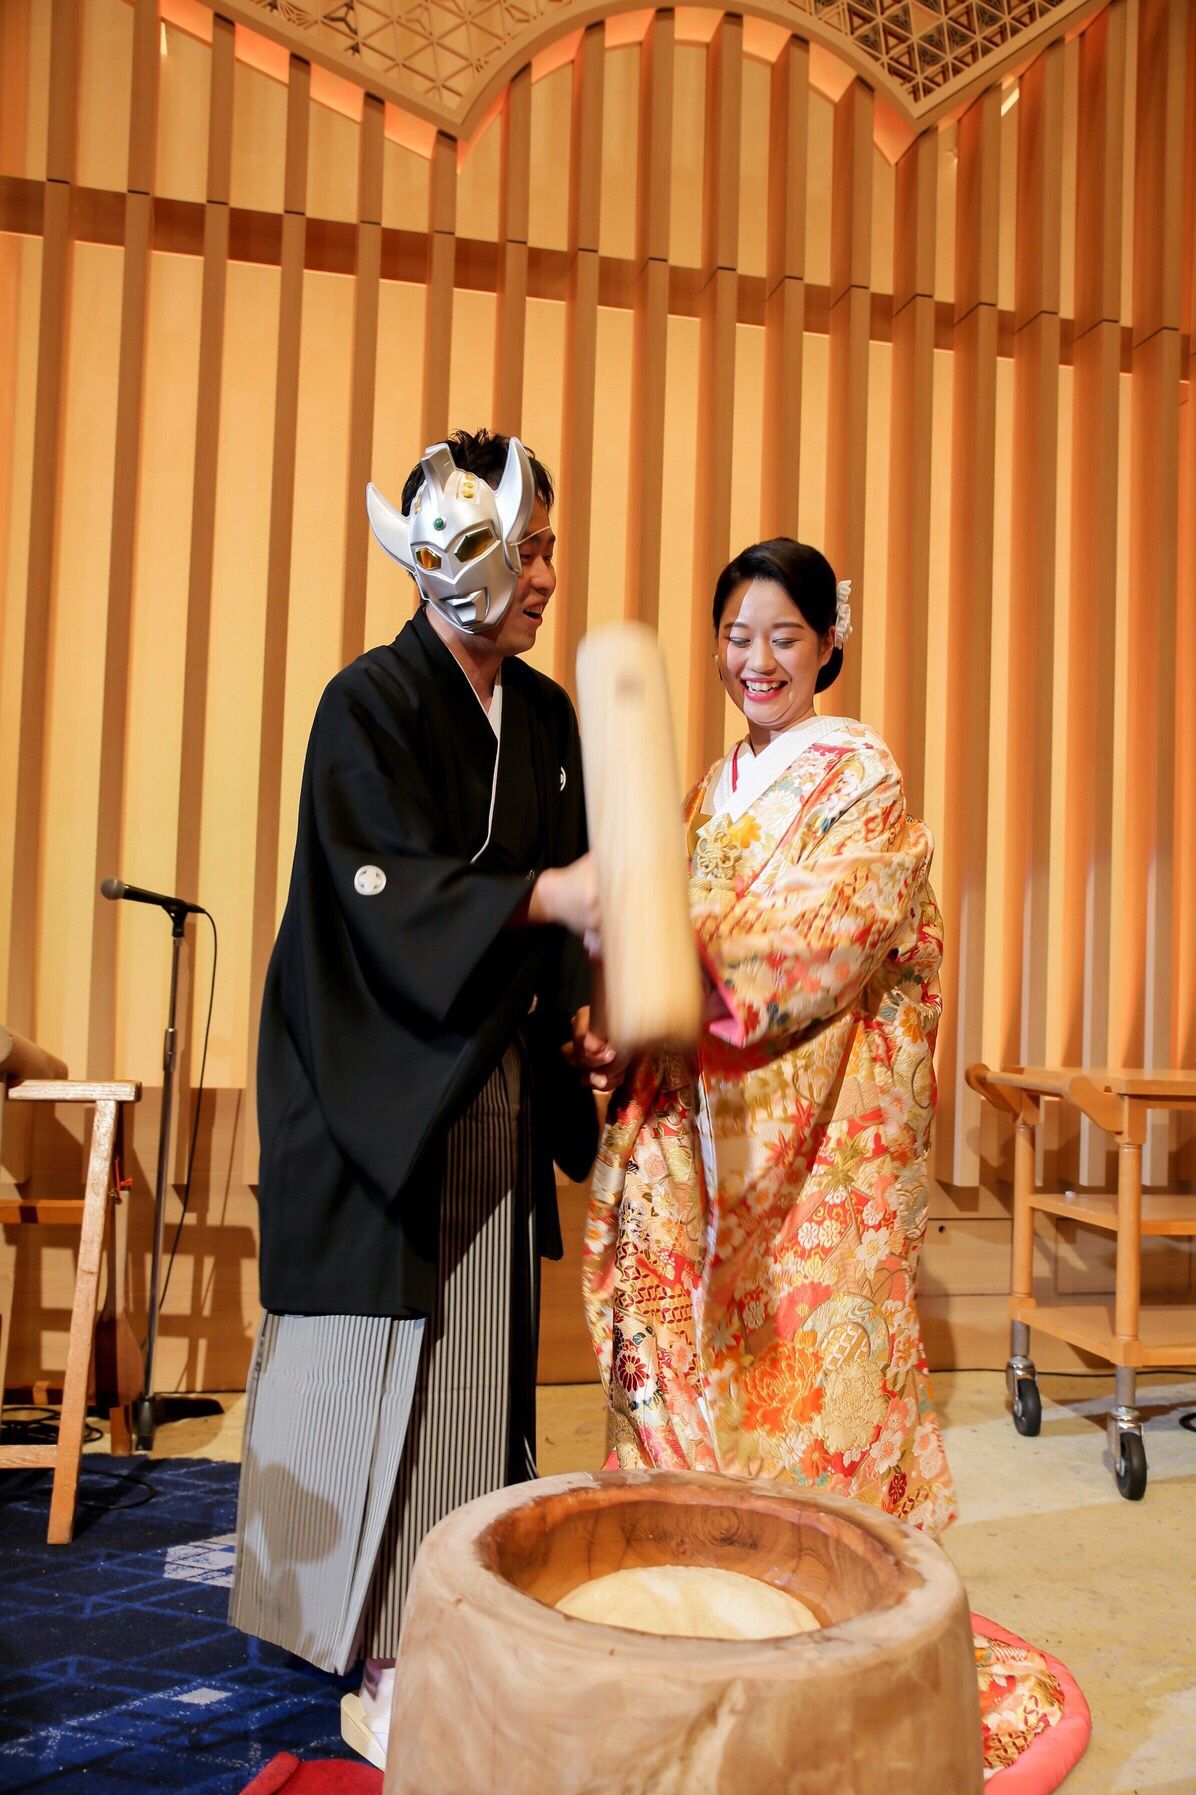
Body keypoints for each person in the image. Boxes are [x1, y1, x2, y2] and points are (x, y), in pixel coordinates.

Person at [582, 538, 1083, 1779]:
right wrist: (620, 1015)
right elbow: (649, 933)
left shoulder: (856, 776)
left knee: (809, 1395)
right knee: (675, 1387)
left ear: (826, 647)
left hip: (808, 1157)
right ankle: (698, 1666)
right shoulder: (703, 791)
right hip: (693, 1139)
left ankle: (825, 1679)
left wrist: (679, 983)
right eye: (735, 636)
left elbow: (830, 933)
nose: (755, 661)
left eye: (783, 637)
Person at [230, 429, 610, 1769]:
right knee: (386, 1376)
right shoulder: (369, 703)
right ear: (459, 558)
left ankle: (458, 1632)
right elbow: (377, 891)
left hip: (491, 1081)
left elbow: (573, 905)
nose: (547, 576)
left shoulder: (546, 720)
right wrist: (540, 895)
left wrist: (581, 1017)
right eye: (531, 548)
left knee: (474, 1382)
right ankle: (390, 1652)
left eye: (551, 547)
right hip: (376, 1087)